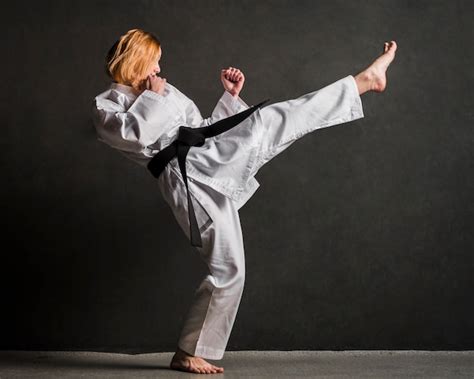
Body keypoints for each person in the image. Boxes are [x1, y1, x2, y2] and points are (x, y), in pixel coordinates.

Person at [91, 28, 397, 374]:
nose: (160, 71)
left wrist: (229, 97)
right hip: (189, 181)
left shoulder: (163, 90)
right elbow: (135, 136)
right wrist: (154, 97)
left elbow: (201, 126)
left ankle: (362, 81)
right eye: (155, 64)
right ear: (138, 62)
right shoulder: (106, 106)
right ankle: (187, 352)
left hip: (211, 155)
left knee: (275, 118)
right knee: (230, 270)